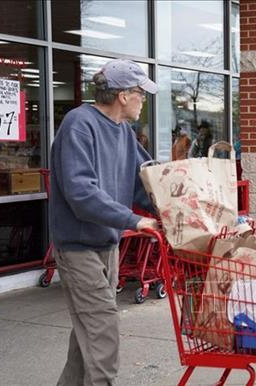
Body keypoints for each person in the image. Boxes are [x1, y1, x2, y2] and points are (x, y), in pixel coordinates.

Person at [49, 59, 160, 386]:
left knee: (89, 335)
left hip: (107, 245)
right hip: (77, 246)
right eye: (141, 93)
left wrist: (182, 204)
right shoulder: (79, 124)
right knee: (103, 331)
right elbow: (81, 192)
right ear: (123, 95)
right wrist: (134, 221)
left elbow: (147, 182)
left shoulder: (124, 133)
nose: (144, 100)